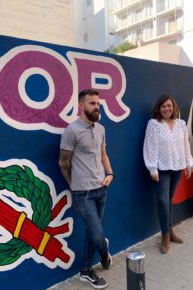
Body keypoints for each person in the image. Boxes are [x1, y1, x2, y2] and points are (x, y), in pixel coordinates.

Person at [59, 89, 114, 289]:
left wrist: (110, 174)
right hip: (83, 193)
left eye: (98, 104)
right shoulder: (72, 130)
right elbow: (63, 162)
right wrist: (73, 184)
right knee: (98, 236)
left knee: (93, 233)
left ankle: (85, 270)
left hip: (101, 189)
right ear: (81, 106)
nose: (96, 107)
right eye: (92, 104)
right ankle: (104, 251)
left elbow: (103, 153)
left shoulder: (100, 129)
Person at [143, 94, 193, 254]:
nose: (166, 109)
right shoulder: (154, 124)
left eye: (169, 106)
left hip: (177, 167)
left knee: (169, 200)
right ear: (159, 108)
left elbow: (185, 144)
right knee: (163, 201)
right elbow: (149, 146)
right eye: (163, 106)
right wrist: (152, 168)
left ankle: (170, 230)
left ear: (174, 108)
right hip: (161, 170)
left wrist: (188, 163)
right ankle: (165, 235)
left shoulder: (180, 124)